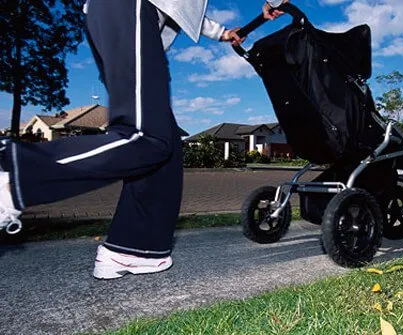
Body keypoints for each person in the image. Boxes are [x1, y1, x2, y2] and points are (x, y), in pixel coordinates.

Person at [0, 0, 289, 279]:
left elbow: (181, 5)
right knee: (146, 137)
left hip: (112, 14)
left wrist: (221, 32)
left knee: (166, 144)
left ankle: (135, 248)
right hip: (130, 7)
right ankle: (15, 173)